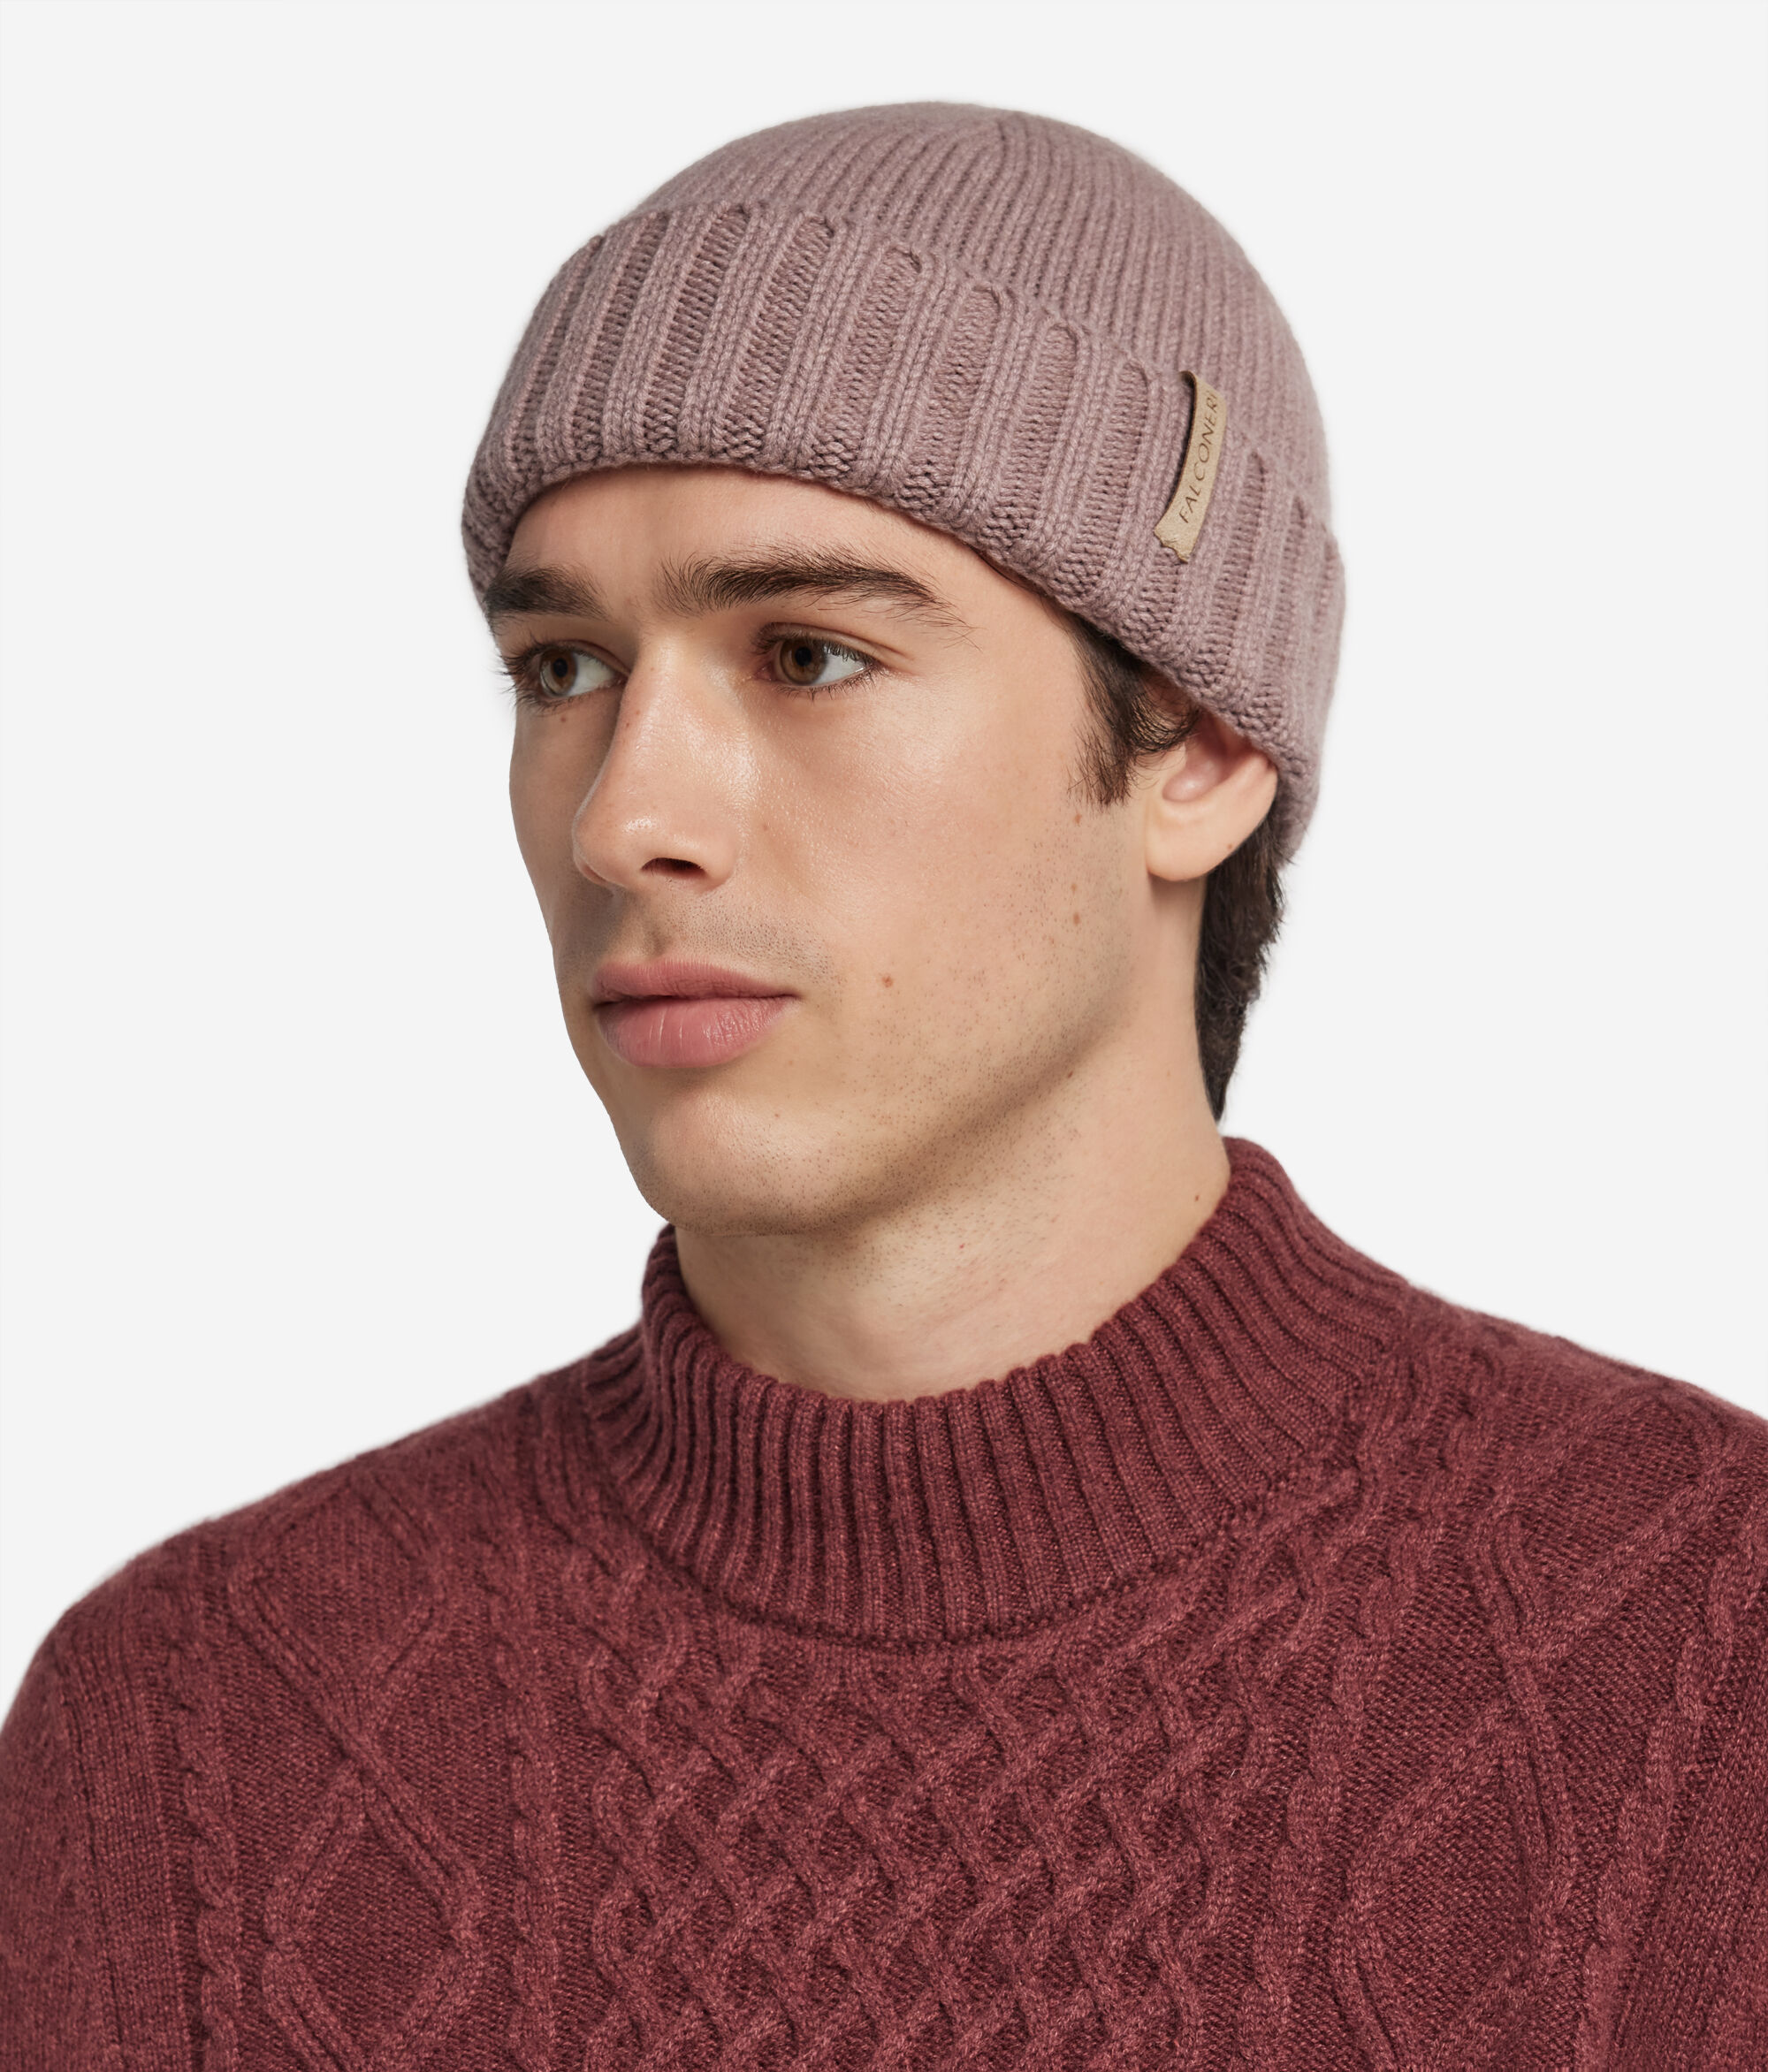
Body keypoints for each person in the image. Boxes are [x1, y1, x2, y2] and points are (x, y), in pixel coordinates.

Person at [2, 101, 1763, 2070]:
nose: (624, 819)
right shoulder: (192, 1740)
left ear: (1197, 746)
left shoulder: (1707, 1663)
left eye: (808, 656)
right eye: (564, 668)